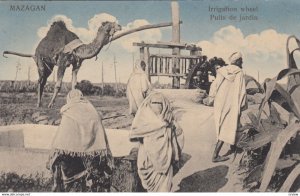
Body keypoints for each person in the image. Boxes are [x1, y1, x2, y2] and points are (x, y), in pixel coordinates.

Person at [47, 89, 113, 191]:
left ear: (69, 98)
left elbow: (60, 139)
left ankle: (58, 184)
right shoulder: (91, 109)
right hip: (91, 155)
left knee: (58, 159)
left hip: (70, 157)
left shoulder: (68, 111)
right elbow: (100, 133)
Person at [129, 92, 184, 192]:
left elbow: (179, 137)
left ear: (164, 105)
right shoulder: (146, 121)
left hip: (163, 165)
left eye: (159, 103)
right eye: (154, 103)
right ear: (149, 104)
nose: (156, 106)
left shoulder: (169, 122)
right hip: (149, 163)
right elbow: (136, 133)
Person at [205, 52, 247, 163]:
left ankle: (233, 146)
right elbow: (242, 92)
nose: (242, 62)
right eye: (241, 60)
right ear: (237, 61)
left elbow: (214, 86)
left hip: (220, 102)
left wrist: (211, 98)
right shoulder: (239, 73)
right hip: (232, 103)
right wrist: (242, 106)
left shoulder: (222, 71)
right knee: (228, 126)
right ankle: (215, 156)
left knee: (223, 124)